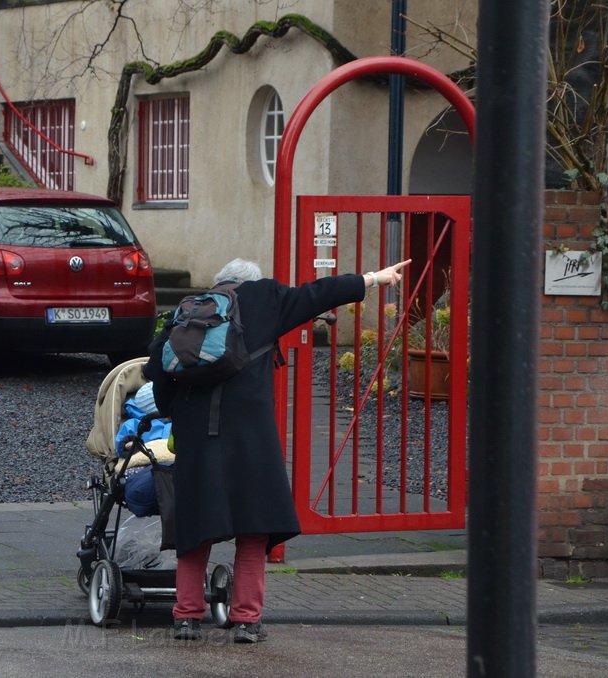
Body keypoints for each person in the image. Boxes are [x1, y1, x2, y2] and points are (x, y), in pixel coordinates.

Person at [143, 257, 410, 644]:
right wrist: (372, 278)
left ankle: (186, 618)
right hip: (250, 437)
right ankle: (247, 620)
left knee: (195, 530)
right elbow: (317, 294)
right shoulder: (265, 298)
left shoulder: (189, 310)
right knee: (253, 529)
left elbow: (158, 369)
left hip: (198, 436)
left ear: (220, 283)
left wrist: (176, 414)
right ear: (253, 281)